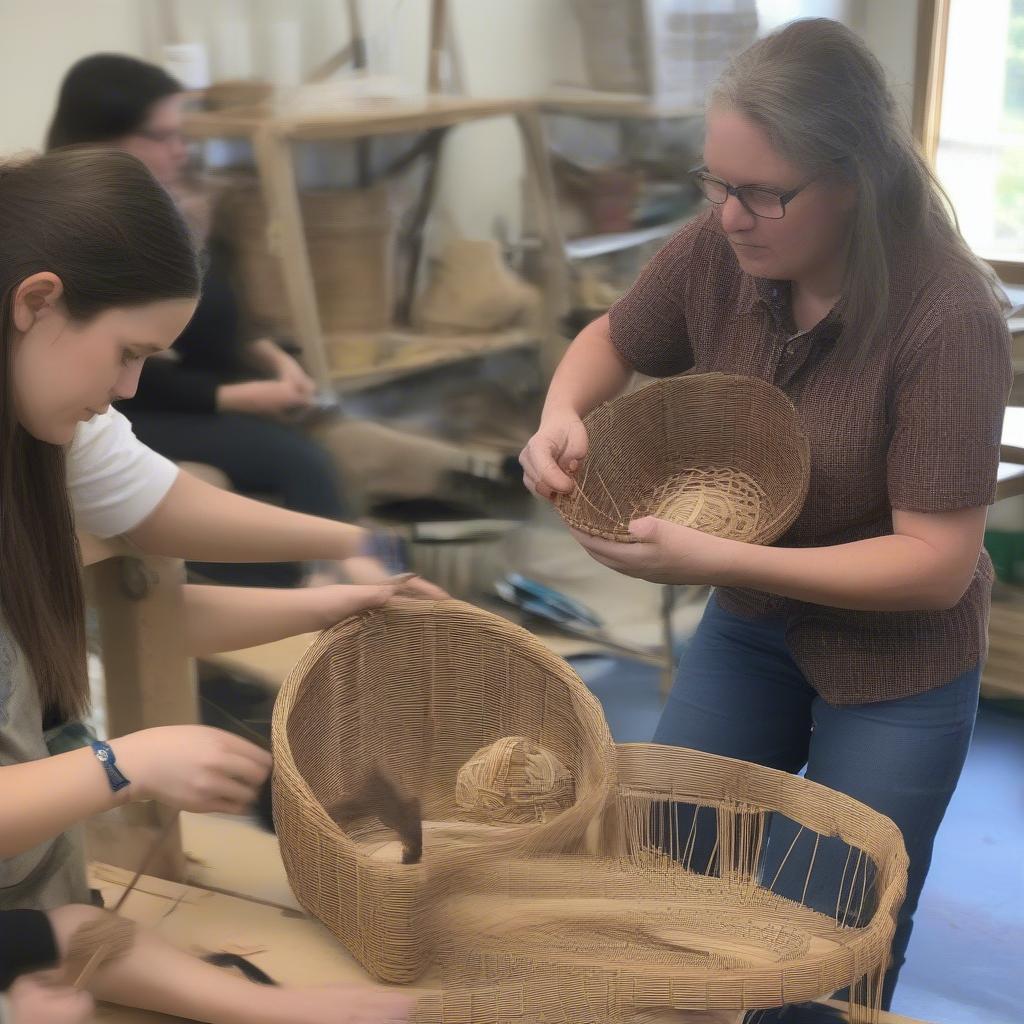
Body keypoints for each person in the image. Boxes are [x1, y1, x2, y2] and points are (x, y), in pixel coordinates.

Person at [520, 17, 1012, 1017]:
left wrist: (710, 555)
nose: (730, 215)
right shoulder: (720, 248)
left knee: (818, 943)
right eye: (716, 184)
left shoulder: (946, 315)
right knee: (655, 865)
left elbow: (934, 563)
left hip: (897, 664)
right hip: (751, 630)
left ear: (853, 180)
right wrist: (559, 414)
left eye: (760, 193)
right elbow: (612, 338)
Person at [1, 146, 425, 1022]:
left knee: (70, 939)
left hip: (32, 888)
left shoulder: (40, 433)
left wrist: (354, 561)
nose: (128, 389)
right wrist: (128, 761)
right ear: (37, 302)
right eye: (126, 353)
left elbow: (148, 511)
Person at [47, 53, 354, 587]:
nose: (180, 151)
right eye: (163, 136)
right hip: (171, 405)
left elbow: (221, 313)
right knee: (297, 462)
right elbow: (138, 386)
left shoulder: (176, 209)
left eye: (182, 135)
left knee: (327, 450)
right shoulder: (81, 235)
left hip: (199, 391)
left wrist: (276, 362)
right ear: (102, 138)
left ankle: (326, 594)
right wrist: (236, 399)